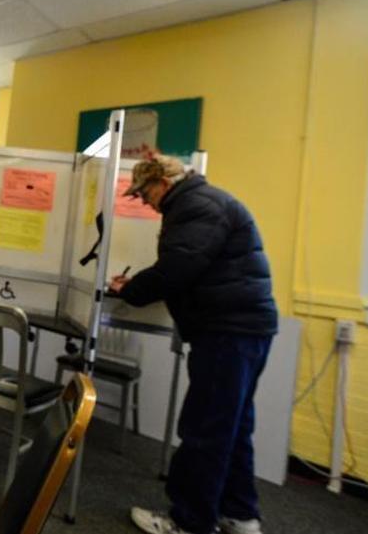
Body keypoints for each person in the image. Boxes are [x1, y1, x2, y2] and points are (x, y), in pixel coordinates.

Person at [107, 155, 278, 534]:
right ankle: (240, 514)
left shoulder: (193, 206)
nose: (145, 202)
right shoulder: (207, 201)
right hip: (246, 328)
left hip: (226, 330)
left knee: (205, 427)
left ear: (163, 184)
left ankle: (190, 522)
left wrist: (129, 290)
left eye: (145, 193)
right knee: (231, 425)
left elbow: (177, 270)